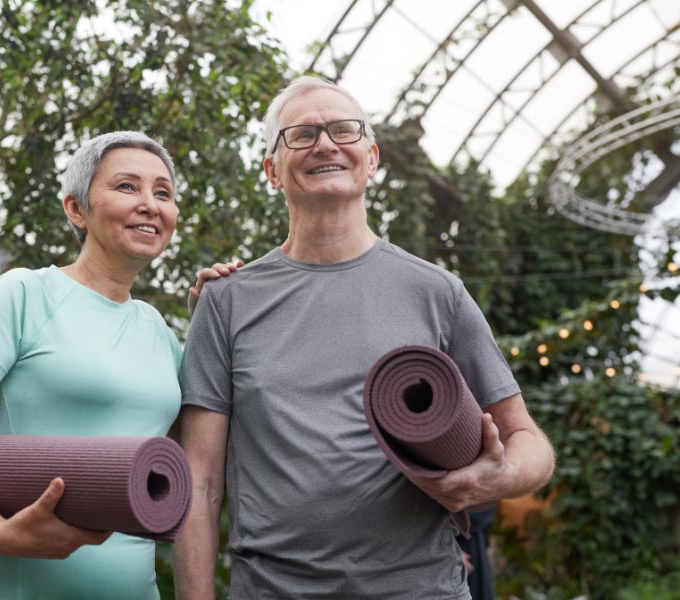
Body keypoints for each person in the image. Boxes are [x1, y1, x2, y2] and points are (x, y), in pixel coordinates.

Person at [174, 76, 556, 599]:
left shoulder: (437, 292)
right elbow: (199, 483)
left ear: (371, 157)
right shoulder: (226, 300)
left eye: (343, 130)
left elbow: (529, 441)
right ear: (271, 171)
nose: (326, 143)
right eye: (302, 134)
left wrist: (497, 478)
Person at [0, 131, 239, 599]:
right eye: (127, 186)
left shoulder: (158, 331)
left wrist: (217, 321)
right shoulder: (26, 295)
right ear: (76, 209)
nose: (150, 203)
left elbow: (190, 464)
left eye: (163, 192)